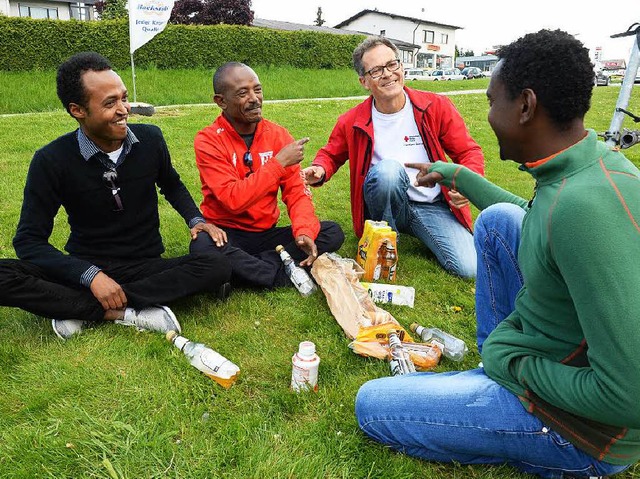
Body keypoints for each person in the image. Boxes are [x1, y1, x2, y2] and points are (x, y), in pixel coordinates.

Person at [355, 30, 640, 478]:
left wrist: (512, 364)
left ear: (525, 106)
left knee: (373, 405)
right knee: (499, 219)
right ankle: (492, 374)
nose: (488, 114)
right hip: (549, 348)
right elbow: (537, 218)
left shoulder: (582, 213)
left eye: (492, 101)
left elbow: (628, 397)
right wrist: (455, 175)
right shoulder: (594, 168)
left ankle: (497, 381)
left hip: (579, 430)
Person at [0, 52, 232, 340]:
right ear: (78, 110)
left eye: (124, 98)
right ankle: (125, 313)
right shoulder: (51, 160)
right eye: (110, 103)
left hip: (145, 266)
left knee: (218, 264)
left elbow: (170, 184)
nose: (124, 110)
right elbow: (28, 240)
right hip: (85, 266)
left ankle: (82, 309)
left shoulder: (151, 140)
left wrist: (196, 219)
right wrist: (91, 277)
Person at [303, 36, 484, 278]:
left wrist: (466, 185)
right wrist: (320, 169)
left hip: (431, 205)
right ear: (364, 81)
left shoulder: (435, 106)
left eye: (392, 65)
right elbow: (331, 154)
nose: (387, 74)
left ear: (401, 67)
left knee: (470, 268)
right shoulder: (351, 120)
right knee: (388, 171)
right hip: (384, 198)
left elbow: (468, 151)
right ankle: (383, 245)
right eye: (376, 70)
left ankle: (411, 230)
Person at [190, 62, 344, 288]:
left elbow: (296, 192)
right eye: (243, 93)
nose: (254, 98)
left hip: (265, 235)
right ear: (221, 101)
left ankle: (242, 272)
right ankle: (283, 272)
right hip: (226, 233)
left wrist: (303, 231)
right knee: (202, 247)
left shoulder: (278, 135)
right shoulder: (208, 140)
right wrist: (278, 163)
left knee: (331, 232)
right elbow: (233, 200)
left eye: (257, 89)